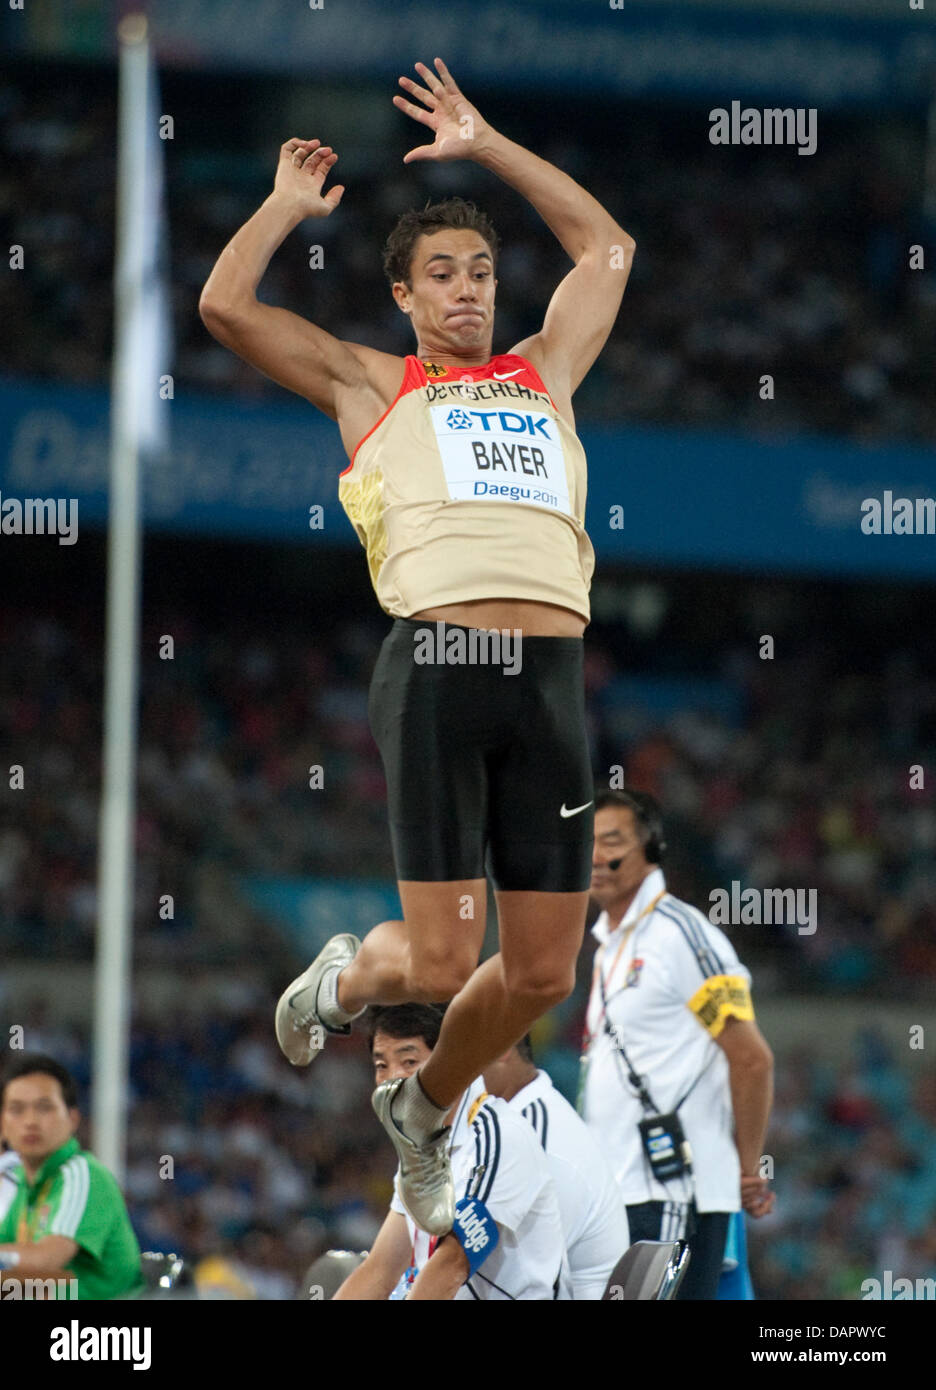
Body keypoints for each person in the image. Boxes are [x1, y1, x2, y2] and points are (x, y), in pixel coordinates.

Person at [199, 56, 636, 1236]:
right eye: (441, 274)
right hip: (440, 664)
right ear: (401, 295)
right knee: (444, 966)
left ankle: (425, 1110)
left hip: (550, 677)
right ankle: (344, 980)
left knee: (544, 973)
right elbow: (226, 312)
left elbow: (608, 252)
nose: (467, 291)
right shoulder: (372, 385)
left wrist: (486, 142)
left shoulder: (547, 374)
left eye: (483, 272)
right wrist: (285, 211)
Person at [579, 789, 775, 1301]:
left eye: (612, 841)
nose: (597, 856)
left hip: (670, 1191)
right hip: (619, 1190)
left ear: (652, 850)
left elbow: (751, 1058)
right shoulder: (608, 950)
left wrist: (748, 1170)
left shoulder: (682, 935)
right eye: (588, 842)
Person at [333, 1005, 570, 1300]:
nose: (393, 1079)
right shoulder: (421, 1142)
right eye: (381, 1066)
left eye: (409, 1061)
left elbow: (450, 1266)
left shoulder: (497, 1137)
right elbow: (381, 1269)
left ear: (450, 1062)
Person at [483, 1036, 630, 1299]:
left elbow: (536, 1284)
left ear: (502, 1047)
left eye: (456, 1048)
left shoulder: (533, 1137)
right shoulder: (503, 1124)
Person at [0, 1054, 143, 1299]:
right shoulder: (25, 1184)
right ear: (3, 1124)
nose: (30, 1122)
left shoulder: (83, 1175)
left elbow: (46, 1260)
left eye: (44, 1108)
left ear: (73, 1119)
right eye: (17, 1110)